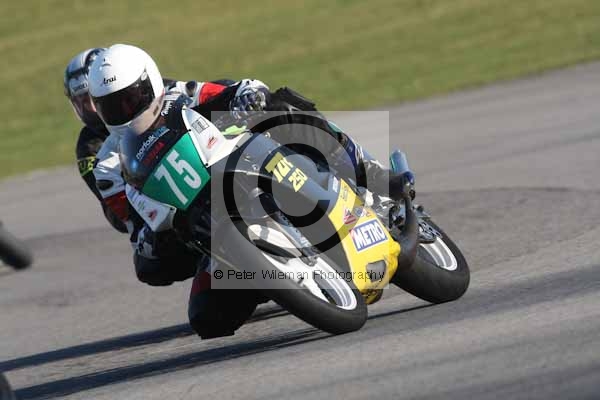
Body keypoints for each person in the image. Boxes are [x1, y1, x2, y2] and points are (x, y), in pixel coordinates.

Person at [88, 43, 408, 339]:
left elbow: (234, 89)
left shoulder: (180, 94)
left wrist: (247, 96)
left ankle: (367, 172)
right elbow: (134, 226)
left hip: (242, 167)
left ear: (151, 83)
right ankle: (271, 278)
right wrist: (149, 241)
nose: (125, 111)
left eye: (131, 98)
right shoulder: (107, 166)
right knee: (206, 319)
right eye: (112, 107)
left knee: (282, 104)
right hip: (206, 228)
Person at [65, 48, 234, 234]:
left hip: (208, 161)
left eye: (128, 98)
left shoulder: (162, 90)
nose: (89, 109)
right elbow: (121, 215)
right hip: (163, 202)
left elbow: (206, 92)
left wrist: (240, 97)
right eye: (83, 102)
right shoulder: (94, 151)